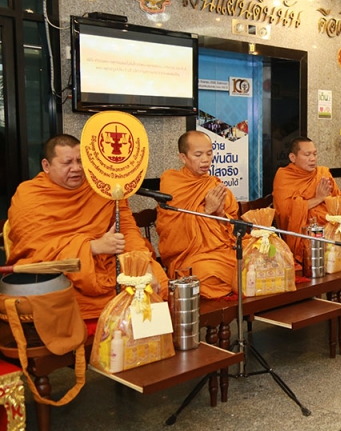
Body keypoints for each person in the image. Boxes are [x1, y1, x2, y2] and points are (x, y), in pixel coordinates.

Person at [6, 134, 167, 320]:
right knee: (57, 298)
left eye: (80, 161)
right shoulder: (30, 195)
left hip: (109, 264)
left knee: (156, 280)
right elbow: (35, 250)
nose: (76, 168)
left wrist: (142, 266)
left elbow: (128, 231)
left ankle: (139, 347)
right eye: (67, 163)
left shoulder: (102, 188)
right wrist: (92, 247)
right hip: (65, 274)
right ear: (46, 166)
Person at [157, 131, 238, 299]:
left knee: (258, 254)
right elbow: (173, 230)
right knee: (205, 275)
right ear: (183, 157)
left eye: (209, 153)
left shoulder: (214, 185)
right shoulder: (172, 183)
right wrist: (207, 211)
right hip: (191, 255)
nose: (206, 160)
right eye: (198, 154)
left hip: (221, 250)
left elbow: (233, 229)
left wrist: (220, 213)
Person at [273, 137, 341, 264]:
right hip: (306, 232)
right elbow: (285, 212)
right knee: (326, 246)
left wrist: (332, 203)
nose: (312, 158)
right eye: (307, 154)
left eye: (315, 154)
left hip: (333, 224)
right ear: (292, 157)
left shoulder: (322, 173)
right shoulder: (284, 176)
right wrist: (318, 199)